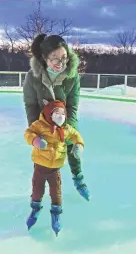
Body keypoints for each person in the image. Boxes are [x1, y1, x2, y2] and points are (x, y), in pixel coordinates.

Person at [23, 34, 91, 211]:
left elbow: (73, 105)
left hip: (64, 120)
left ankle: (78, 177)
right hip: (43, 122)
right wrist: (36, 129)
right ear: (45, 58)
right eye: (55, 58)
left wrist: (70, 131)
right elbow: (30, 104)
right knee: (43, 154)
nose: (60, 63)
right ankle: (37, 194)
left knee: (70, 146)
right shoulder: (33, 77)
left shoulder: (72, 76)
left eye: (64, 58)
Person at [24, 100, 85, 236]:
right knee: (37, 190)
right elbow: (28, 133)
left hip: (55, 169)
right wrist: (36, 141)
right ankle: (35, 209)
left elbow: (76, 135)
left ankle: (56, 215)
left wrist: (79, 145)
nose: (60, 116)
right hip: (40, 167)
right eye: (57, 113)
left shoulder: (65, 129)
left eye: (63, 113)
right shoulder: (40, 125)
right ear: (49, 113)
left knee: (56, 193)